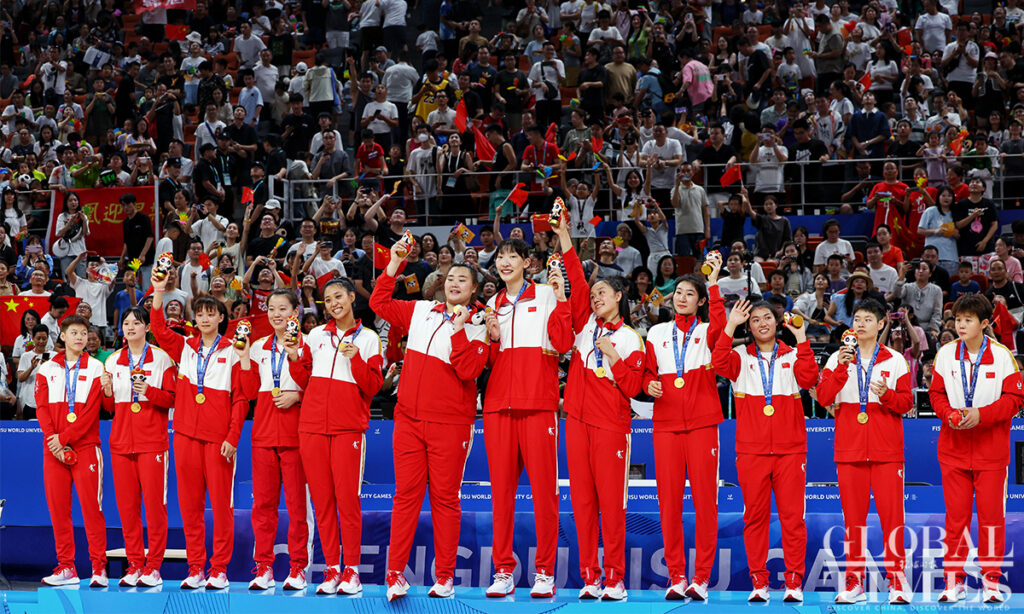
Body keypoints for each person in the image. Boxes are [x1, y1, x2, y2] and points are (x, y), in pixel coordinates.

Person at [370, 239, 490, 601]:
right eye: (450, 277)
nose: (454, 283)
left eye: (462, 280)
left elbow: (469, 370)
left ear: (472, 289)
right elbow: (379, 304)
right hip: (407, 420)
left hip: (450, 425)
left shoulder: (479, 323)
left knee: (444, 499)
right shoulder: (421, 309)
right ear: (442, 281)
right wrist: (393, 264)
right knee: (404, 497)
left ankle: (445, 577)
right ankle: (394, 575)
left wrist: (458, 329)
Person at [551, 220, 644, 601]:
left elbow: (636, 387)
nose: (595, 299)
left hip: (610, 427)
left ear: (619, 296)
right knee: (583, 505)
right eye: (593, 295)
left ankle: (615, 579)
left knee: (611, 505)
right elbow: (575, 273)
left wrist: (614, 357)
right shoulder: (585, 324)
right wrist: (563, 237)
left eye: (602, 293)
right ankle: (590, 577)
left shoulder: (629, 337)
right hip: (576, 424)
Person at [481, 237, 573, 599]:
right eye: (500, 257)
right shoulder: (492, 303)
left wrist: (562, 297)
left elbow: (564, 343)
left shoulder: (547, 295)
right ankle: (503, 570)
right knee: (500, 495)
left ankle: (544, 572)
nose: (505, 262)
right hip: (498, 407)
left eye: (512, 256)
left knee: (544, 495)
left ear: (527, 262)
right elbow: (488, 360)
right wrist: (489, 338)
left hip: (538, 404)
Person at [713, 298, 818, 602]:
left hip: (790, 451)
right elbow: (719, 362)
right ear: (750, 326)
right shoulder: (739, 357)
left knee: (792, 518)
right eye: (755, 319)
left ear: (777, 323)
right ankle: (759, 581)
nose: (762, 323)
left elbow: (810, 378)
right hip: (751, 451)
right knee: (754, 518)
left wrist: (801, 338)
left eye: (767, 318)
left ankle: (794, 582)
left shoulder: (795, 355)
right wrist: (730, 324)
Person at [150, 272, 250, 590]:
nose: (205, 318)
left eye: (211, 314)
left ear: (222, 317)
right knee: (190, 507)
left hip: (219, 440)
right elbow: (157, 328)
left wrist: (233, 437)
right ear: (195, 319)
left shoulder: (234, 351)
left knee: (221, 507)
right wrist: (157, 291)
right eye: (201, 314)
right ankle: (196, 568)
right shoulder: (185, 348)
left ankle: (218, 569)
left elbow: (242, 399)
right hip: (184, 436)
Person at [286, 278, 383, 595]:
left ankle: (352, 571)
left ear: (352, 298)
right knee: (322, 503)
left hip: (347, 429)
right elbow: (304, 378)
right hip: (311, 426)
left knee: (347, 502)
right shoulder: (315, 335)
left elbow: (373, 386)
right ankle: (331, 570)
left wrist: (354, 357)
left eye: (338, 297)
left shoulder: (368, 338)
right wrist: (293, 357)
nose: (333, 303)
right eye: (327, 300)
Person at [817, 298, 914, 605]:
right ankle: (853, 582)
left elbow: (906, 404)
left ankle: (897, 582)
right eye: (856, 319)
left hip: (887, 451)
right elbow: (822, 397)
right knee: (853, 522)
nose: (859, 324)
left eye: (866, 320)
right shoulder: (837, 358)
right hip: (849, 450)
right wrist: (842, 368)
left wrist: (887, 395)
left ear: (881, 324)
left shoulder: (895, 359)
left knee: (892, 520)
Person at [928, 294, 1024, 604]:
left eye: (968, 320)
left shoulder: (1002, 356)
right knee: (955, 518)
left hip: (991, 451)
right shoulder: (944, 354)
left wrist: (981, 415)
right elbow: (936, 394)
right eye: (958, 320)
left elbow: (1015, 400)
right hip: (953, 448)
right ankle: (953, 580)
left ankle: (991, 582)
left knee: (991, 518)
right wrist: (949, 414)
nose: (961, 325)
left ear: (985, 323)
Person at [641, 254, 725, 600]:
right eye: (678, 292)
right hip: (666, 426)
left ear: (701, 301)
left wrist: (715, 281)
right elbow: (645, 373)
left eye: (690, 293)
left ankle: (701, 578)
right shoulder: (657, 332)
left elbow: (722, 332)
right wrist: (648, 386)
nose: (681, 297)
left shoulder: (707, 331)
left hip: (703, 425)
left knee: (706, 502)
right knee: (669, 503)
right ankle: (676, 575)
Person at [100, 307, 177, 587]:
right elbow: (108, 408)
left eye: (137, 322)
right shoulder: (112, 361)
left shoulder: (162, 358)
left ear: (147, 327)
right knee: (127, 508)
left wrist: (150, 393)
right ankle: (134, 564)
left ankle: (154, 567)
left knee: (155, 507)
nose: (131, 326)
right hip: (120, 444)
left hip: (152, 442)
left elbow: (173, 399)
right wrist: (107, 391)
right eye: (126, 323)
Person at [241, 290, 310, 591]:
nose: (276, 313)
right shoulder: (257, 347)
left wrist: (299, 395)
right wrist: (243, 359)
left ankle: (298, 568)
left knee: (297, 507)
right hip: (263, 435)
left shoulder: (309, 343)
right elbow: (248, 391)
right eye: (271, 308)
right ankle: (264, 567)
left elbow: (315, 385)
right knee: (263, 507)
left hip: (297, 435)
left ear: (296, 311)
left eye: (283, 308)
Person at [36, 315, 108, 587]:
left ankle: (98, 568)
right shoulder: (46, 369)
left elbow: (90, 413)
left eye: (84, 333)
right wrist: (52, 439)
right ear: (63, 336)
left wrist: (62, 438)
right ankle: (67, 567)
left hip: (86, 447)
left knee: (92, 509)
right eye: (74, 332)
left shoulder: (97, 367)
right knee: (59, 510)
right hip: (53, 448)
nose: (80, 337)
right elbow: (41, 407)